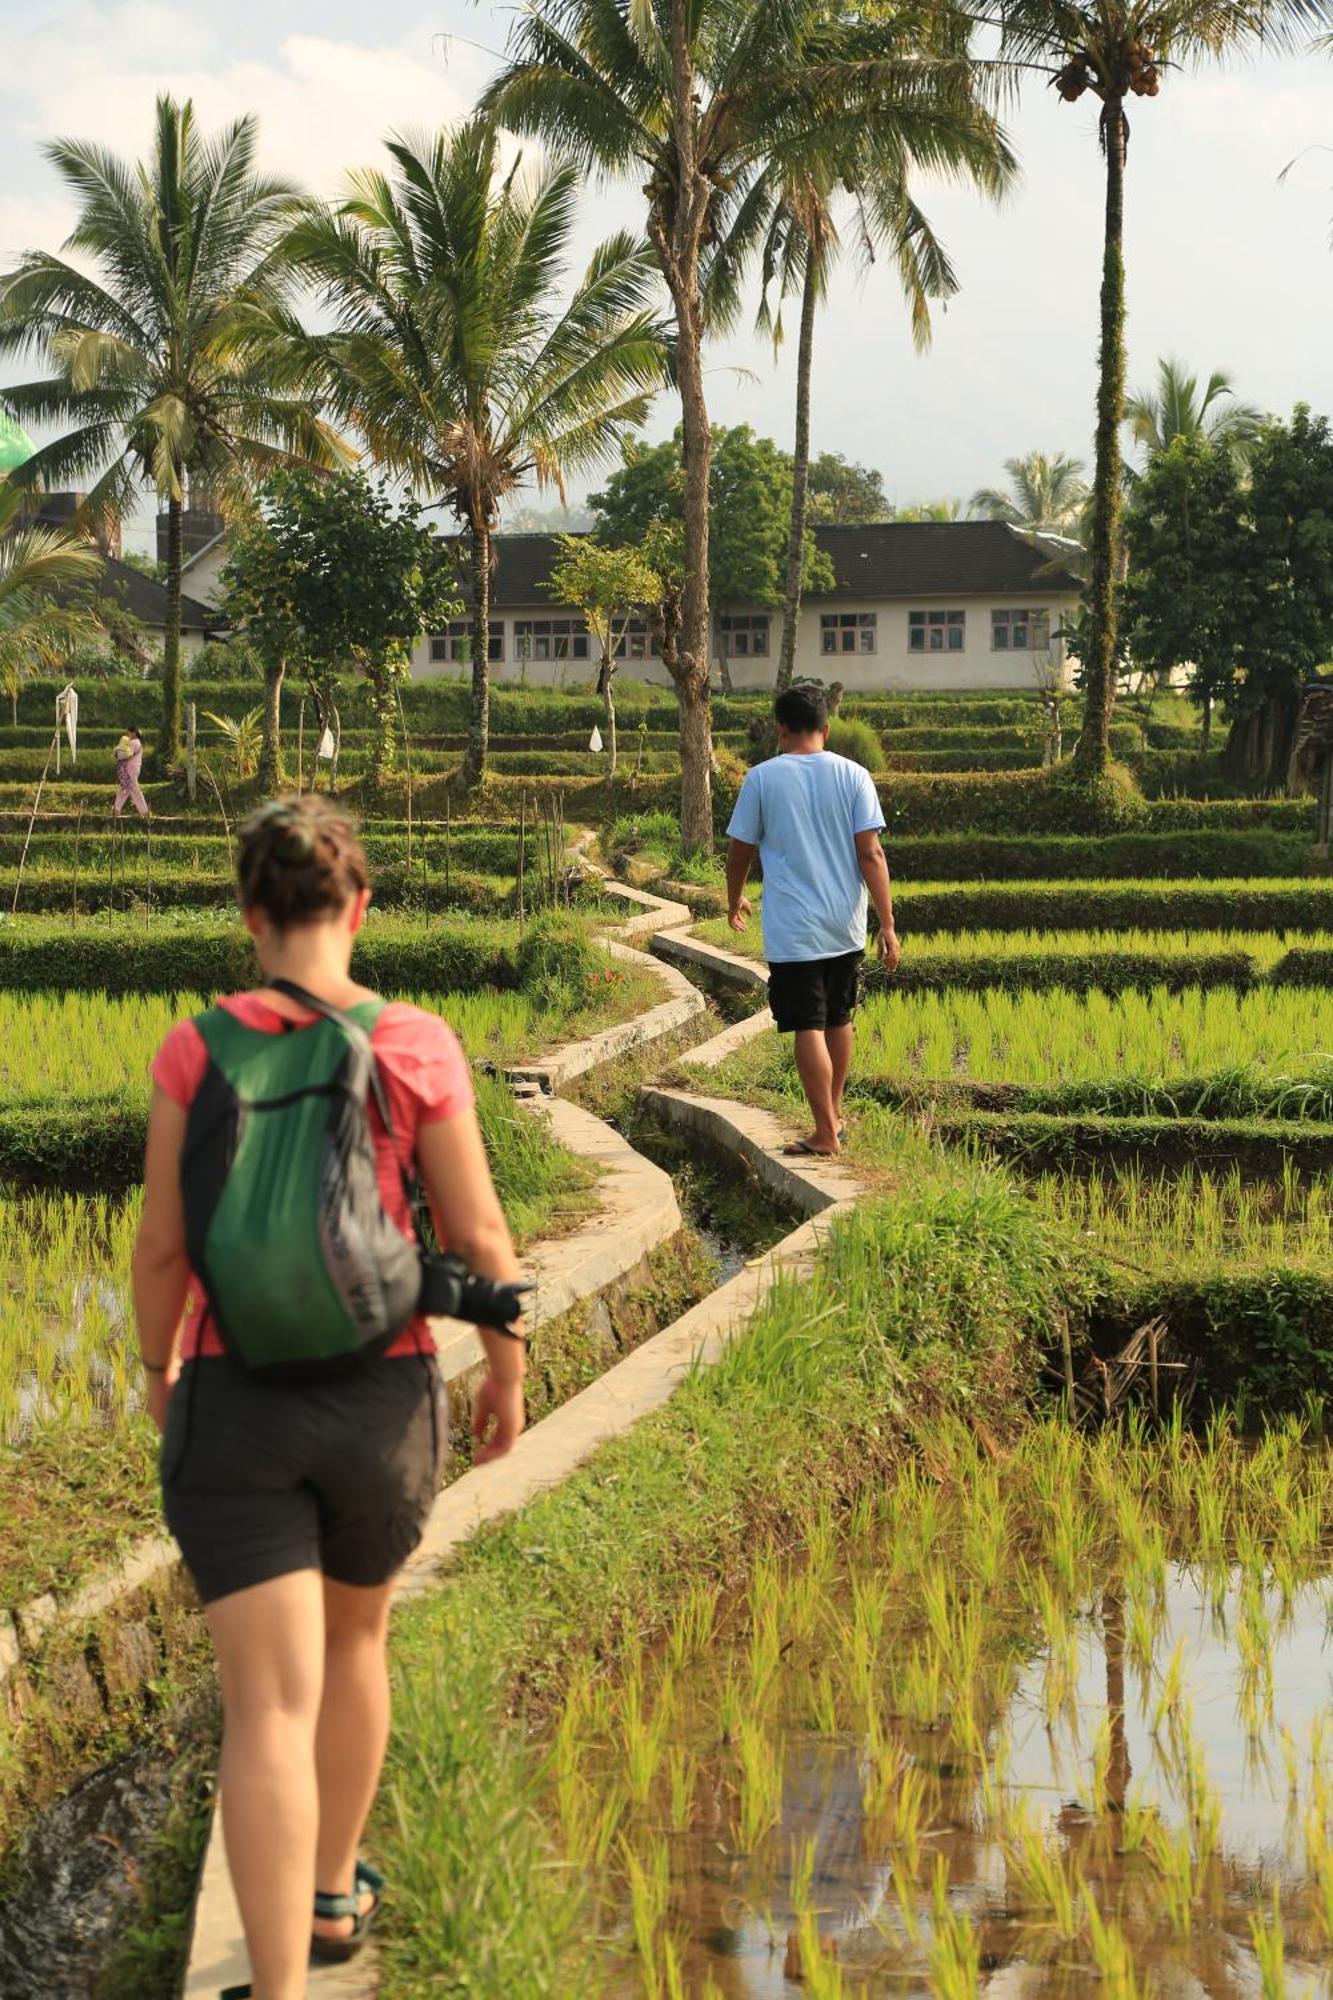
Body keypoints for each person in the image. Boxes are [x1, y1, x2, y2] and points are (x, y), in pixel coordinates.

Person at [133, 795, 526, 2000]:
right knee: (357, 1639)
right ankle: (331, 1894)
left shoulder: (196, 1047)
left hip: (234, 1401)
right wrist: (506, 1370)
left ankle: (279, 1987)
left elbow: (159, 1247)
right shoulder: (415, 1041)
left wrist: (162, 1375)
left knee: (262, 1704)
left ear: (250, 916)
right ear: (358, 907)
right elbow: (479, 1234)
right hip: (385, 1397)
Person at [725, 684, 899, 1158]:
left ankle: (824, 1132)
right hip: (844, 921)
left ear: (780, 727)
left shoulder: (761, 779)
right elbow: (871, 852)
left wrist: (735, 898)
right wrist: (886, 923)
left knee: (807, 1024)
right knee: (839, 1018)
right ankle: (834, 1116)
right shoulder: (855, 775)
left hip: (794, 929)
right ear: (825, 727)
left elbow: (740, 850)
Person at [113, 726, 150, 818]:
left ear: (133, 733)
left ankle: (145, 812)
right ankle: (117, 809)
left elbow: (127, 754)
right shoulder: (138, 743)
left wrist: (117, 753)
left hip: (129, 769)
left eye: (128, 733)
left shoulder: (133, 742)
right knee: (126, 789)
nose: (127, 735)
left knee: (133, 790)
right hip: (133, 769)